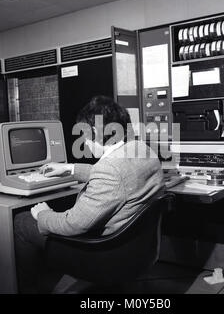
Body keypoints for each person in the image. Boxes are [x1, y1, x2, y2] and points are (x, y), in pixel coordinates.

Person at [14, 95, 165, 293]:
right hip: (140, 252)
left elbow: (72, 224)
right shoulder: (142, 150)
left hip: (106, 257)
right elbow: (121, 178)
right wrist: (70, 169)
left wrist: (42, 214)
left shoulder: (111, 170)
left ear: (94, 131)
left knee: (22, 221)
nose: (84, 143)